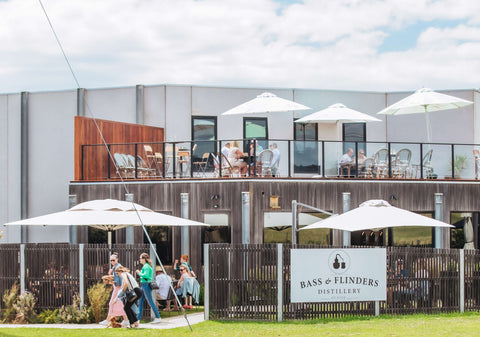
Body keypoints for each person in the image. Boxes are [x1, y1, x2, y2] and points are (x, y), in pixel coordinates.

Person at [99, 253, 129, 327]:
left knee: (112, 303)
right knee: (119, 304)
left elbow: (118, 281)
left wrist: (111, 281)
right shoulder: (115, 267)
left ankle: (108, 320)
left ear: (117, 259)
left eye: (113, 260)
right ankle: (126, 320)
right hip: (118, 288)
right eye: (111, 260)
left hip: (118, 288)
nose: (112, 262)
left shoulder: (117, 267)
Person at [135, 253, 162, 324]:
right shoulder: (146, 266)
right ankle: (137, 319)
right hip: (144, 285)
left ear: (144, 259)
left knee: (150, 302)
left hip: (145, 285)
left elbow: (146, 276)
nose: (140, 260)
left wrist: (139, 273)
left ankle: (158, 317)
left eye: (141, 258)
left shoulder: (146, 266)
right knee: (140, 302)